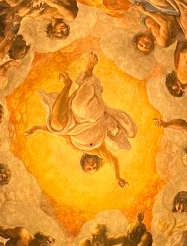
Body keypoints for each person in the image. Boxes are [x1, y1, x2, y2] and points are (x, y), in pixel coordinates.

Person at [26, 52, 136, 188]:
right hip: (92, 121)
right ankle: (88, 72)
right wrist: (117, 177)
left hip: (73, 125)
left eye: (89, 168)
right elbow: (113, 160)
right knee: (80, 108)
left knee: (56, 125)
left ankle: (67, 85)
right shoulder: (98, 150)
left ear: (83, 163)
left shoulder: (76, 146)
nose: (92, 166)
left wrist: (37, 128)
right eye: (94, 167)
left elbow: (57, 134)